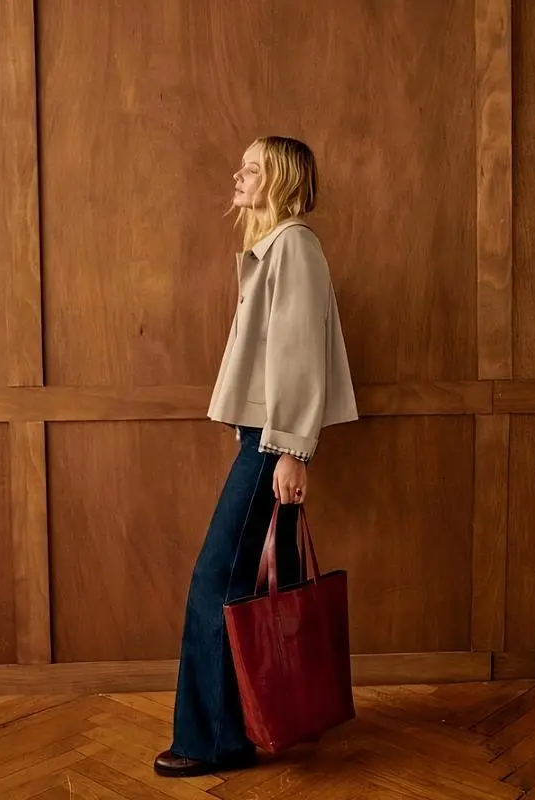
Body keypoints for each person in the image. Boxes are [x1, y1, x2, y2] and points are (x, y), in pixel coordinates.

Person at [153, 136, 359, 778]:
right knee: (240, 585)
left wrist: (290, 450)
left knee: (217, 584)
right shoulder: (274, 248)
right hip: (264, 438)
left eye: (252, 169)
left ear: (281, 181)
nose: (237, 176)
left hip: (273, 443)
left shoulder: (292, 245)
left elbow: (299, 356)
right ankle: (243, 727)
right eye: (240, 166)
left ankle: (213, 742)